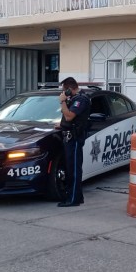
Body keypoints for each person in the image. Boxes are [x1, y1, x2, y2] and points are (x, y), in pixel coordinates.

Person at [57, 77, 91, 207]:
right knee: (70, 168)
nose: (63, 93)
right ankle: (77, 197)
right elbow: (68, 119)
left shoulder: (81, 99)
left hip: (75, 138)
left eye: (64, 90)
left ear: (70, 89)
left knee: (74, 170)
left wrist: (62, 101)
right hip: (69, 136)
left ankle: (73, 199)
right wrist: (61, 125)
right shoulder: (75, 98)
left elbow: (69, 116)